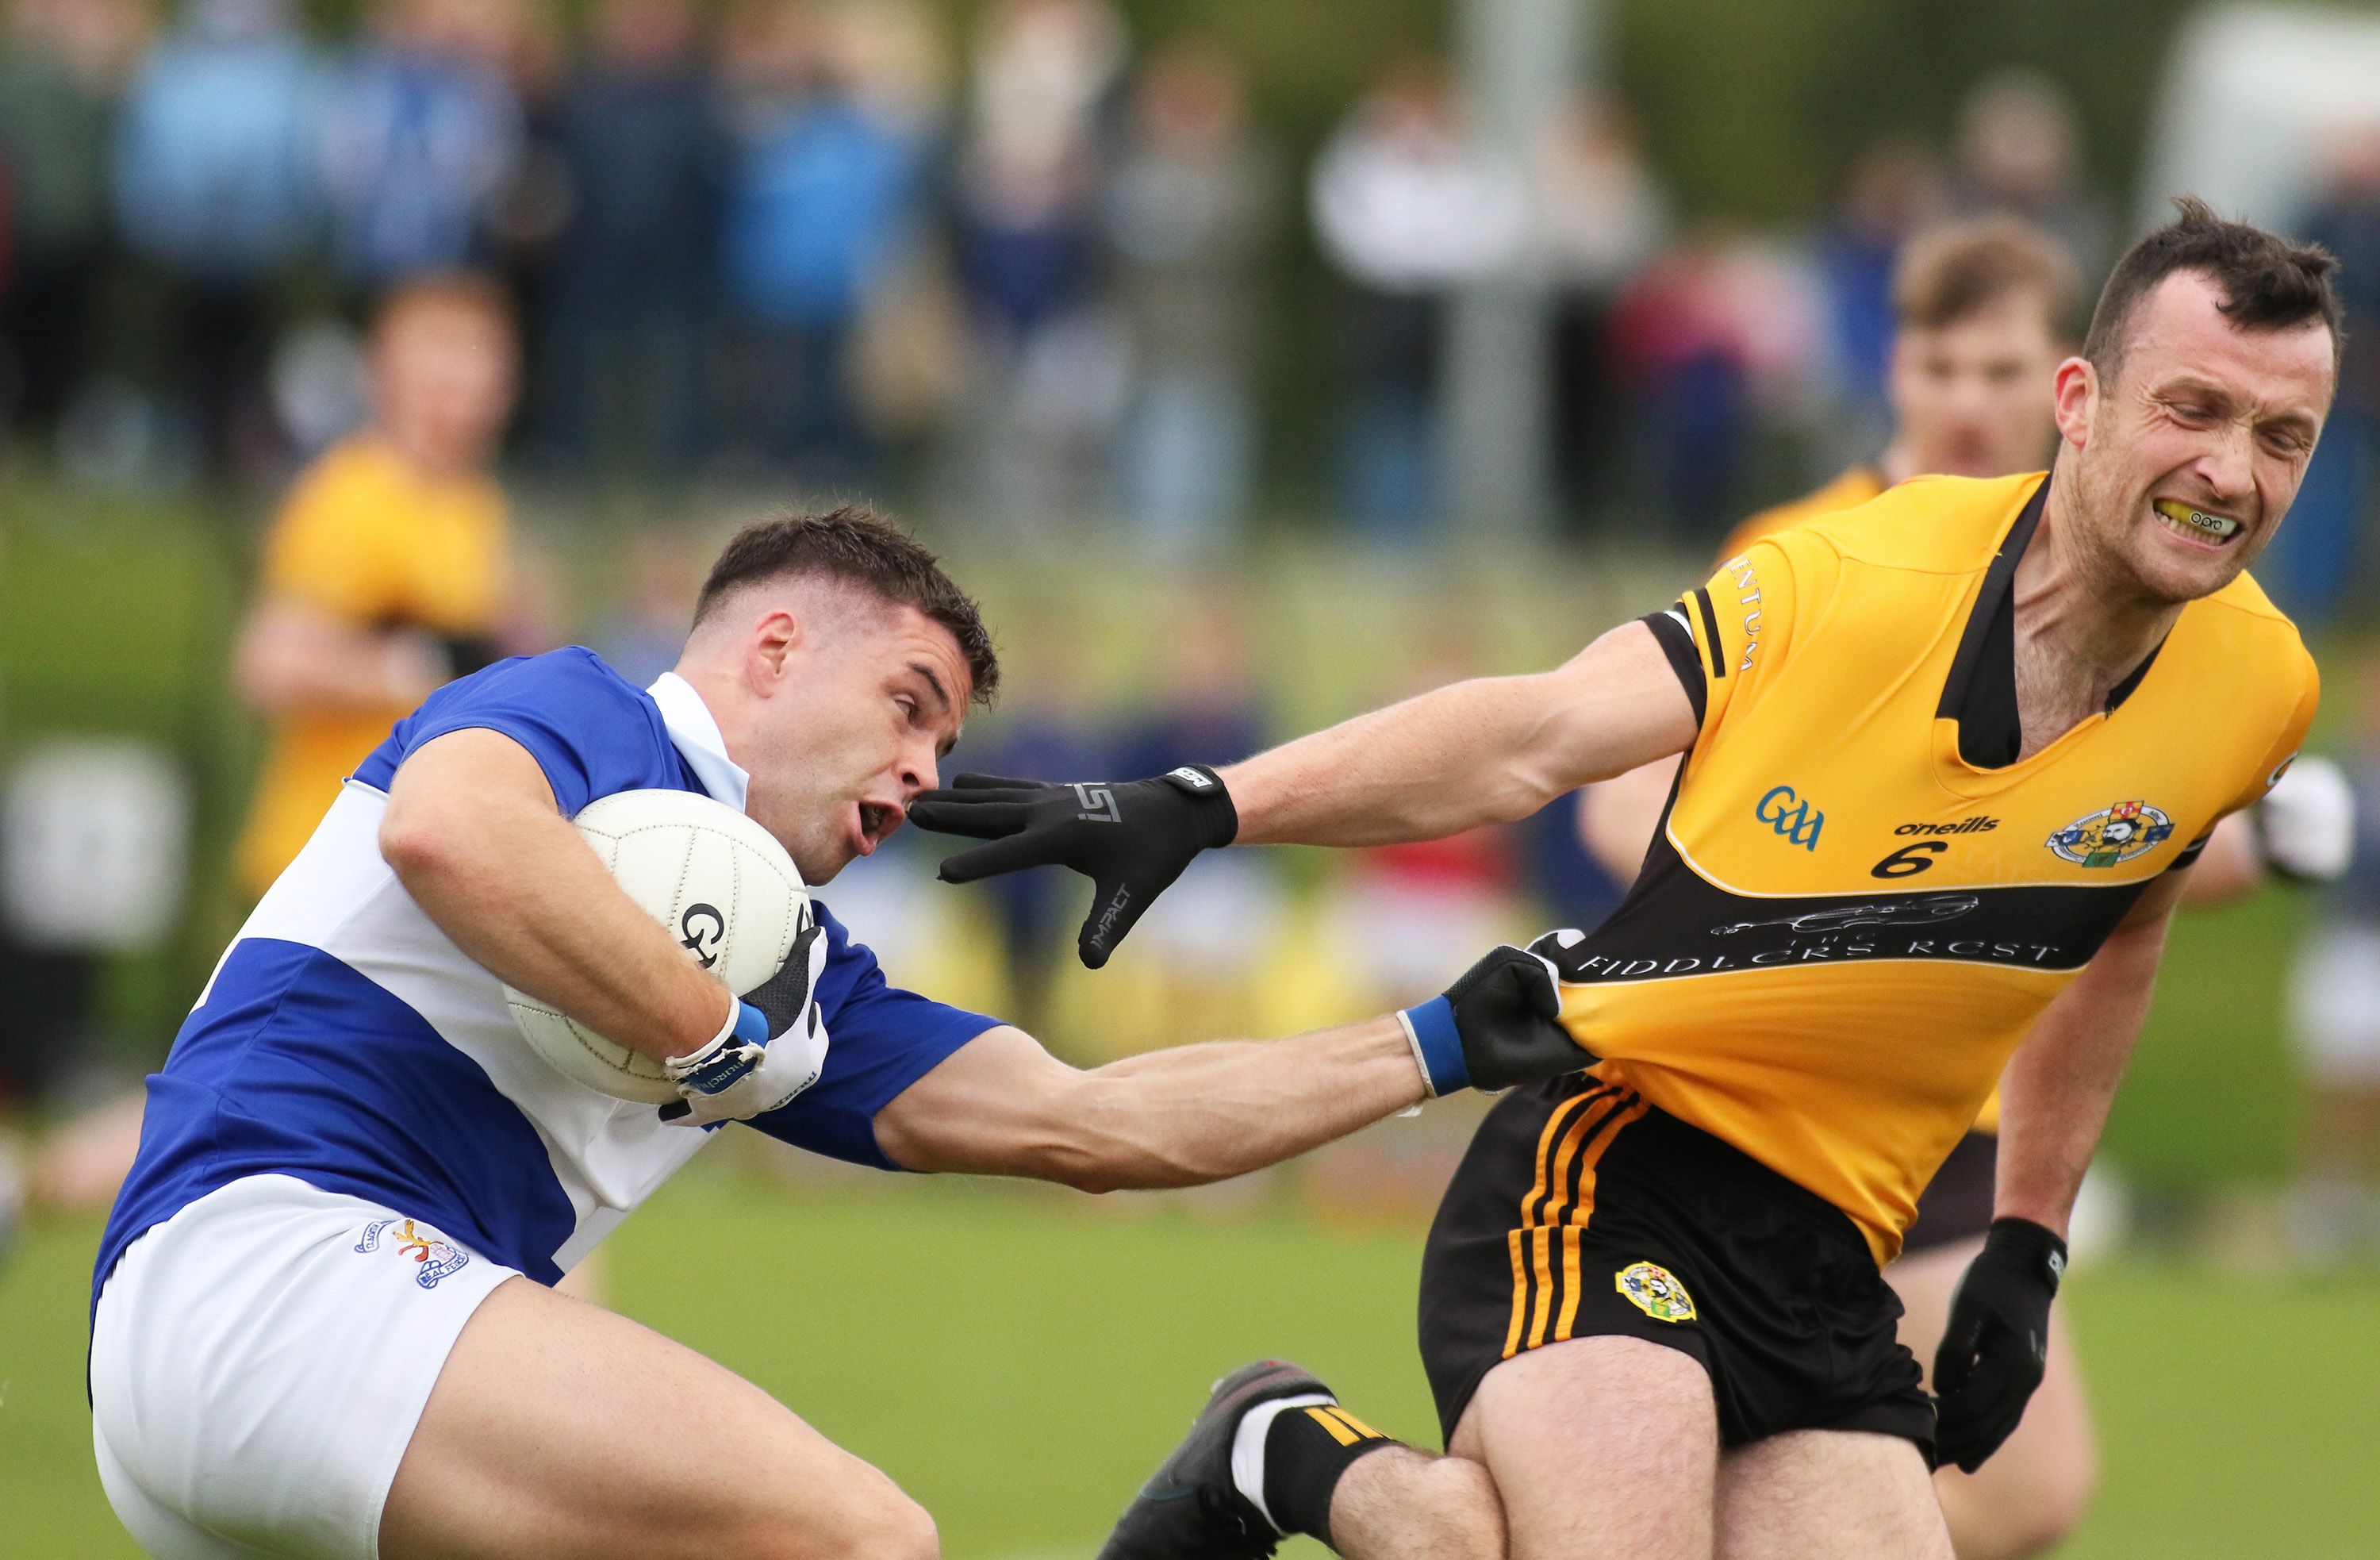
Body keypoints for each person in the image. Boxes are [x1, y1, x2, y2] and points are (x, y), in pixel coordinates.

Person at [911, 200, 2338, 1559]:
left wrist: (2028, 1241)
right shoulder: (1848, 573)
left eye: (2285, 436)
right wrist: (1207, 801)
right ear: (2081, 401)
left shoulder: (2259, 684)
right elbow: (1537, 734)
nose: (2233, 473)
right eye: (2195, 410)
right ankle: (1286, 1448)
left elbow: (2127, 927)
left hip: (1834, 1246)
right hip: (1614, 1165)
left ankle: (1284, 1450)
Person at [90, 504, 1590, 1560]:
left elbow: (1102, 1125)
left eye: (945, 743)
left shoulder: (799, 974)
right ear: (775, 647)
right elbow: (449, 834)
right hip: (267, 1273)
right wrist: (714, 1039)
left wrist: (1449, 1036)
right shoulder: (591, 717)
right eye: (908, 704)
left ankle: (1249, 1467)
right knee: (863, 1536)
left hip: (267, 1391)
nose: (922, 773)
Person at [232, 272, 531, 901]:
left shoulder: (475, 502)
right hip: (323, 853)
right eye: (448, 359)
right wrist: (420, 666)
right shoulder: (352, 498)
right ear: (388, 374)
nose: (470, 386)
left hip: (409, 861)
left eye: (486, 362)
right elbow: (270, 664)